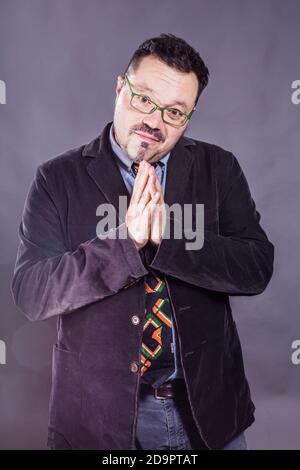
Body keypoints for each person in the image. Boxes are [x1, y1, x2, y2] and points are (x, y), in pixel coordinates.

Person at [11, 33, 274, 450]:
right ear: (120, 89)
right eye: (144, 100)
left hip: (207, 413)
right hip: (96, 419)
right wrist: (126, 243)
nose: (155, 120)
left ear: (189, 117)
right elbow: (32, 294)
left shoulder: (219, 168)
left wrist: (167, 239)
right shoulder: (56, 180)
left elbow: (256, 266)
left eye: (175, 112)